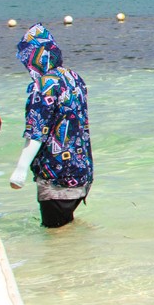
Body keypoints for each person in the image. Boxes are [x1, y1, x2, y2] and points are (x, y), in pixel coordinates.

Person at [7, 24, 93, 228]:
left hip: (56, 175)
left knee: (55, 237)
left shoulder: (43, 85)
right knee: (68, 227)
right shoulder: (74, 78)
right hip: (82, 171)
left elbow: (37, 131)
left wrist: (20, 170)